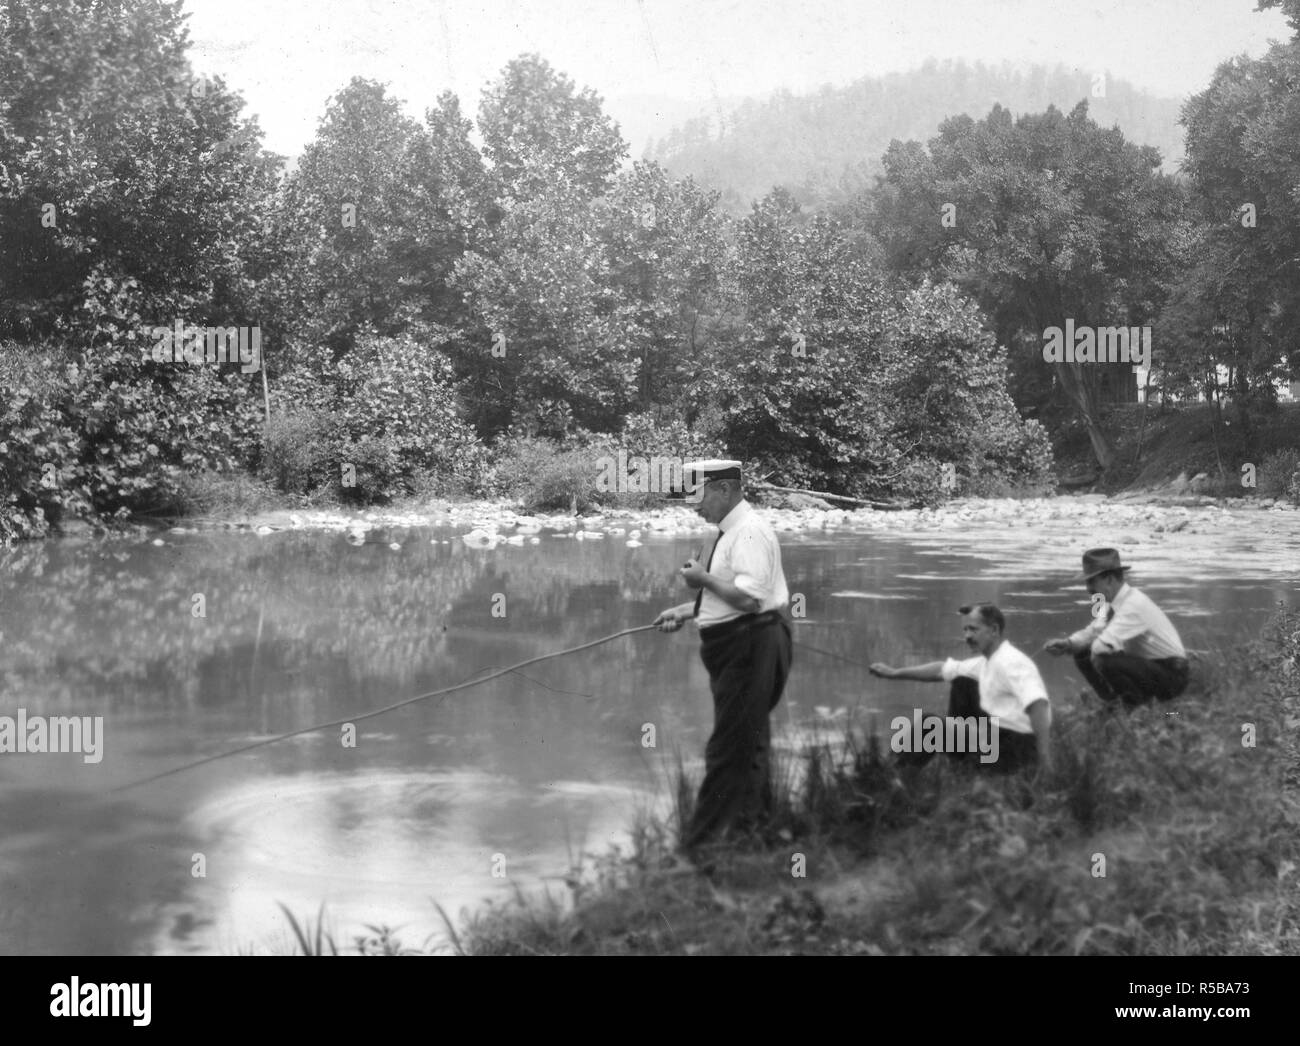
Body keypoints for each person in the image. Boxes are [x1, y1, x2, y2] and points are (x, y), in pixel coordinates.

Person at [653, 459, 792, 852]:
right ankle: (758, 836)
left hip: (751, 645)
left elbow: (750, 599)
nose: (694, 506)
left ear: (725, 491)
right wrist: (685, 611)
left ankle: (700, 853)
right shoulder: (727, 532)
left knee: (728, 749)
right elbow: (729, 595)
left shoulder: (748, 534)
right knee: (750, 744)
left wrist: (701, 579)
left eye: (698, 497)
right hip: (741, 645)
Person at [869, 603, 1052, 775]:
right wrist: (894, 673)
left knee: (930, 724)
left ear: (994, 630)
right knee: (961, 680)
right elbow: (942, 669)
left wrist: (1044, 761)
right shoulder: (988, 660)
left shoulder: (1011, 662)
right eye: (965, 630)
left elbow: (1038, 704)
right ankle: (898, 773)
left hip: (1014, 748)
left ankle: (888, 777)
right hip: (996, 738)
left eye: (974, 629)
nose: (967, 637)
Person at [1043, 548, 1188, 707]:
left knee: (1103, 659)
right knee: (1083, 652)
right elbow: (1095, 630)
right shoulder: (1110, 602)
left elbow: (1100, 647)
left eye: (1091, 581)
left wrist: (1105, 648)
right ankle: (1115, 703)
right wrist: (1069, 644)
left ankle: (1137, 708)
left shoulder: (1134, 604)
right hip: (1152, 667)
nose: (1088, 589)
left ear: (1110, 579)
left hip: (1172, 675)